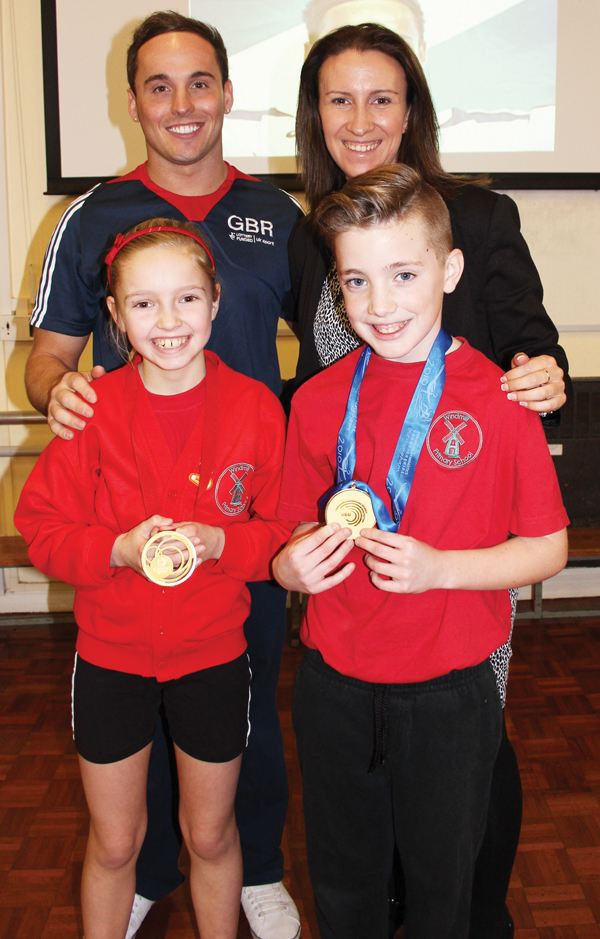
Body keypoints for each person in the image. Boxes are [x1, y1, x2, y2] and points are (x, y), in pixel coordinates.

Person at [287, 24, 569, 938]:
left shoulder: (474, 222)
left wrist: (543, 374)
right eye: (339, 98)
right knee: (351, 857)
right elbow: (302, 444)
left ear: (412, 108)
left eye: (382, 97)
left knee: (461, 807)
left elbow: (531, 343)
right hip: (343, 633)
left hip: (454, 559)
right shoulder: (312, 233)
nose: (361, 117)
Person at [25, 12, 302, 939]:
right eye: (158, 85)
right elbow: (46, 362)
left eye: (199, 83)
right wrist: (62, 393)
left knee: (243, 708)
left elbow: (346, 341)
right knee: (127, 745)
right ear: (134, 100)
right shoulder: (90, 216)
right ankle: (141, 868)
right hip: (126, 550)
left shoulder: (279, 216)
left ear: (226, 92)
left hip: (240, 517)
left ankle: (251, 863)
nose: (182, 105)